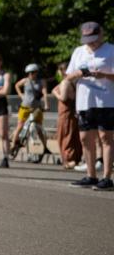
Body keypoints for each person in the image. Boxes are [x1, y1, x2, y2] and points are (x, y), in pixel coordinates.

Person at [65, 22, 114, 190]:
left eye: (93, 39)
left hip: (106, 101)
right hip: (85, 101)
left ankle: (107, 177)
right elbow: (68, 76)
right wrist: (78, 73)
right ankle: (91, 175)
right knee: (85, 138)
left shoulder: (111, 50)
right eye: (87, 39)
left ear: (101, 34)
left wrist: (104, 75)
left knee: (105, 138)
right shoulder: (79, 51)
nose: (90, 43)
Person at [10, 64, 48, 156]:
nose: (31, 74)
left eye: (33, 72)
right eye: (29, 73)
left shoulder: (41, 82)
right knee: (20, 125)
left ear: (36, 73)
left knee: (39, 128)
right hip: (25, 106)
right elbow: (16, 85)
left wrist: (46, 104)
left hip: (36, 107)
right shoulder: (25, 81)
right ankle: (13, 144)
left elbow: (45, 92)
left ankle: (45, 147)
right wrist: (21, 95)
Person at [52, 61, 81, 169]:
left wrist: (55, 92)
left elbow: (63, 98)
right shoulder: (74, 82)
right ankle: (75, 158)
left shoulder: (65, 82)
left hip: (65, 113)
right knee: (73, 136)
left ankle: (69, 160)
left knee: (65, 136)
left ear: (62, 71)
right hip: (72, 113)